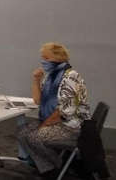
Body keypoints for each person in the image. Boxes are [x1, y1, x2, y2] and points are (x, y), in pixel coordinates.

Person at [16, 42, 90, 179]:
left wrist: (42, 126)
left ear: (59, 58)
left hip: (70, 126)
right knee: (21, 132)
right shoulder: (50, 77)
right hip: (55, 122)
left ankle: (58, 166)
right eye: (43, 58)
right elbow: (38, 100)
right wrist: (36, 80)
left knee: (34, 136)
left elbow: (63, 112)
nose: (43, 62)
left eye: (47, 58)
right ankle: (51, 167)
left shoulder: (70, 77)